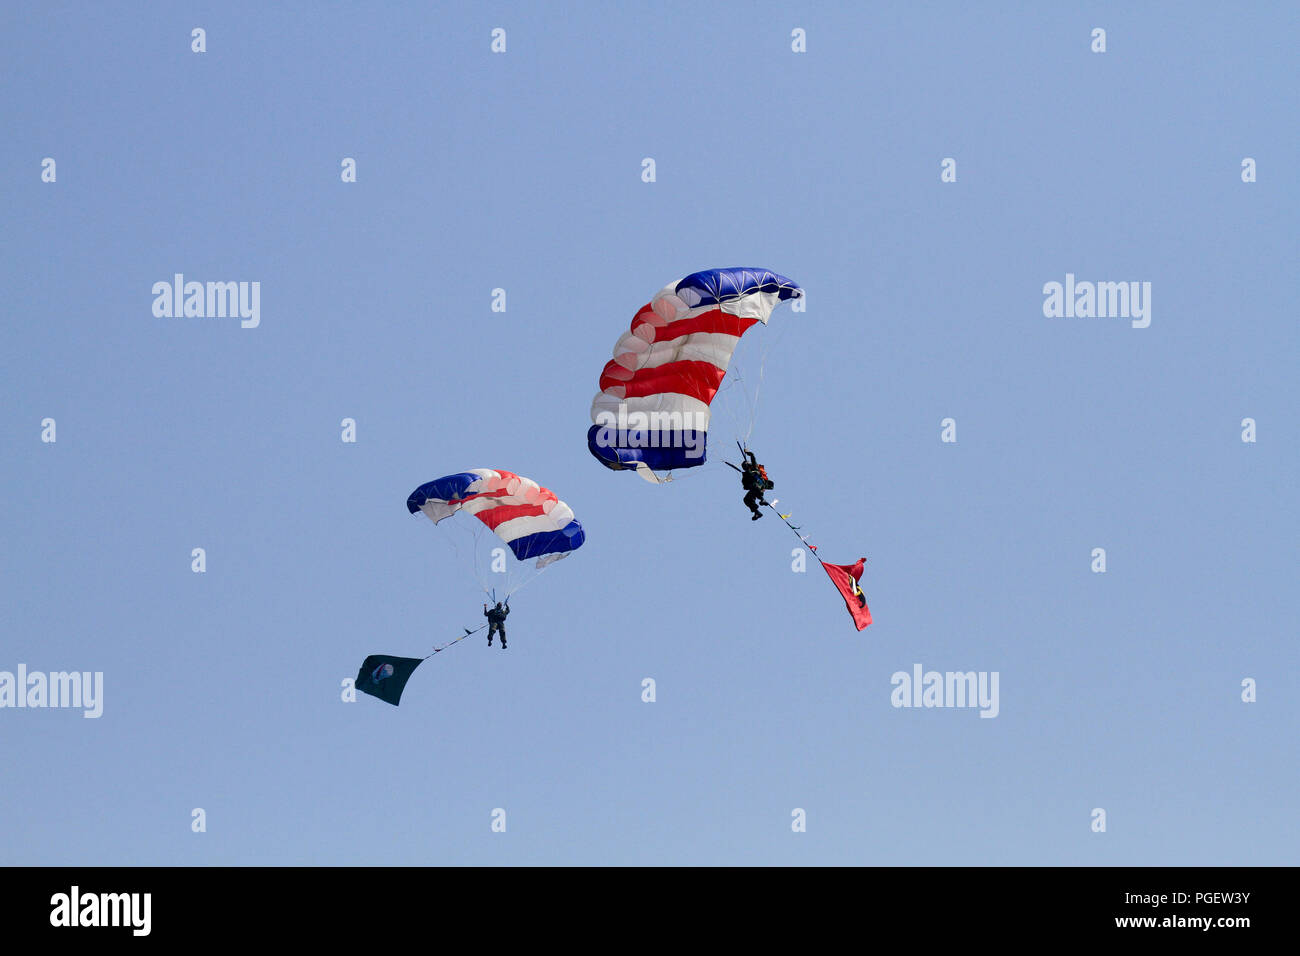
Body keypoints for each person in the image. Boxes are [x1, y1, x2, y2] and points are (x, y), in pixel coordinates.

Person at [739, 449, 774, 520]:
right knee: (746, 499)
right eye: (745, 467)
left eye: (746, 466)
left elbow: (752, 457)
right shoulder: (745, 476)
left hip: (760, 485)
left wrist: (748, 452)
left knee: (754, 485)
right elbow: (745, 487)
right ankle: (757, 512)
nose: (746, 468)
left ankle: (762, 500)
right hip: (754, 489)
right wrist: (745, 479)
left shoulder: (755, 468)